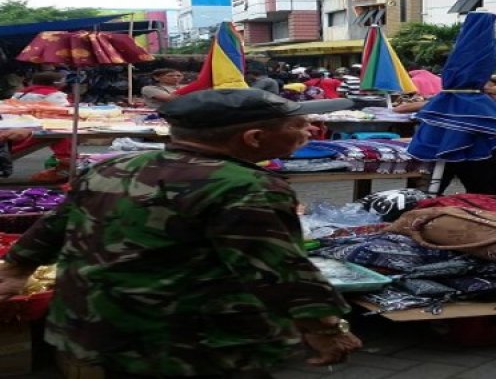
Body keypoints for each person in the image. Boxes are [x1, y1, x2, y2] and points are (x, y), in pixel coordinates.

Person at [0, 89, 361, 377]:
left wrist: (16, 270)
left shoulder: (117, 166)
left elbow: (53, 225)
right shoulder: (245, 185)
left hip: (97, 327)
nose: (310, 130)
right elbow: (280, 271)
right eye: (299, 124)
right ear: (254, 138)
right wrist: (325, 329)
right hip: (190, 342)